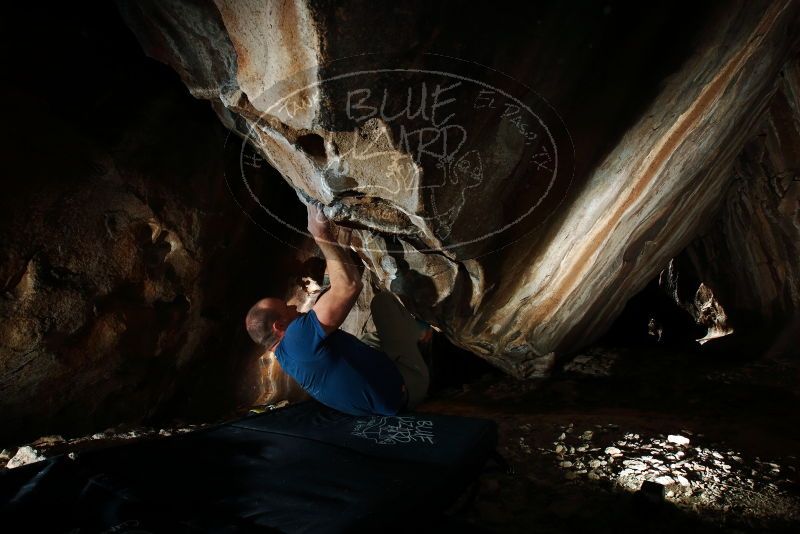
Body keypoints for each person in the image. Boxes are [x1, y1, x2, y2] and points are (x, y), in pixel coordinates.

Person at [245, 202, 430, 416]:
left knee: (369, 339)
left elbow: (337, 288)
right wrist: (320, 233)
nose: (294, 306)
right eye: (287, 308)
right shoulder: (296, 339)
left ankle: (406, 340)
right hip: (408, 391)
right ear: (279, 326)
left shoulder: (287, 355)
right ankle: (423, 335)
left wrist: (342, 243)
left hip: (379, 405)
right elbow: (349, 287)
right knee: (384, 305)